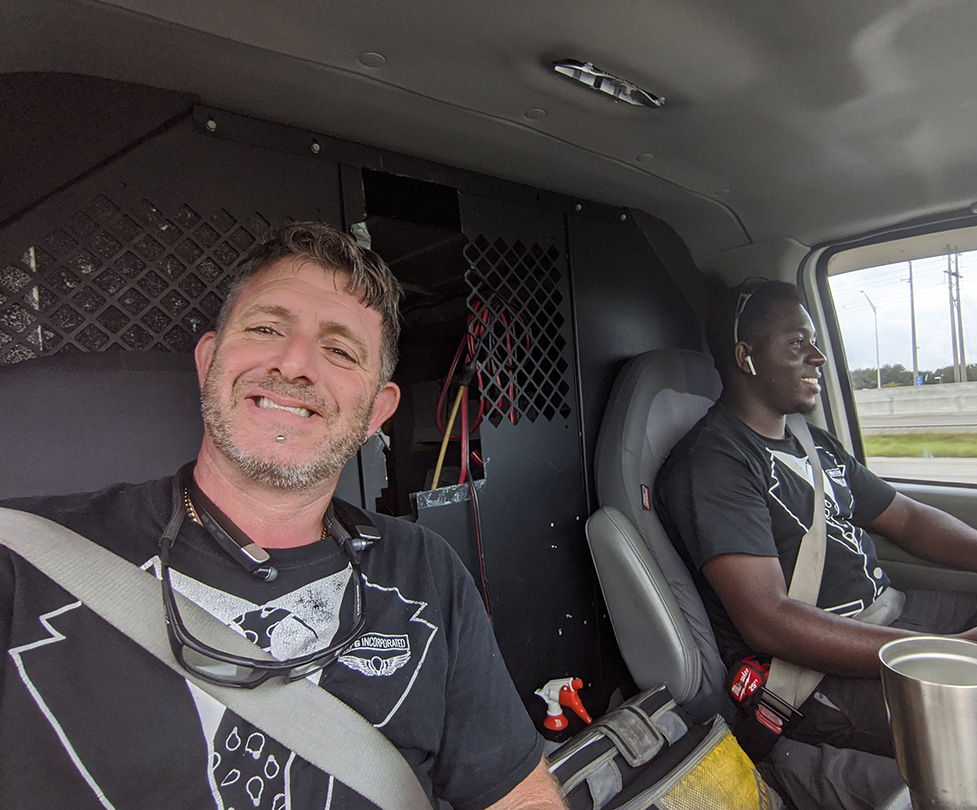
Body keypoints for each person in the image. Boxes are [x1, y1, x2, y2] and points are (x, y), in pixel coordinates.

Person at [0, 222, 566, 809]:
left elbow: (516, 793)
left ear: (377, 411)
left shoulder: (425, 570)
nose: (295, 364)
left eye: (340, 350)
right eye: (267, 328)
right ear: (209, 361)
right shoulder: (21, 556)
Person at [655, 280, 977, 790]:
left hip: (891, 613)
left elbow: (908, 520)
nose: (818, 357)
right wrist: (951, 652)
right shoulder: (715, 463)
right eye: (797, 343)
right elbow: (769, 620)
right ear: (747, 357)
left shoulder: (812, 441)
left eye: (815, 342)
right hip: (813, 673)